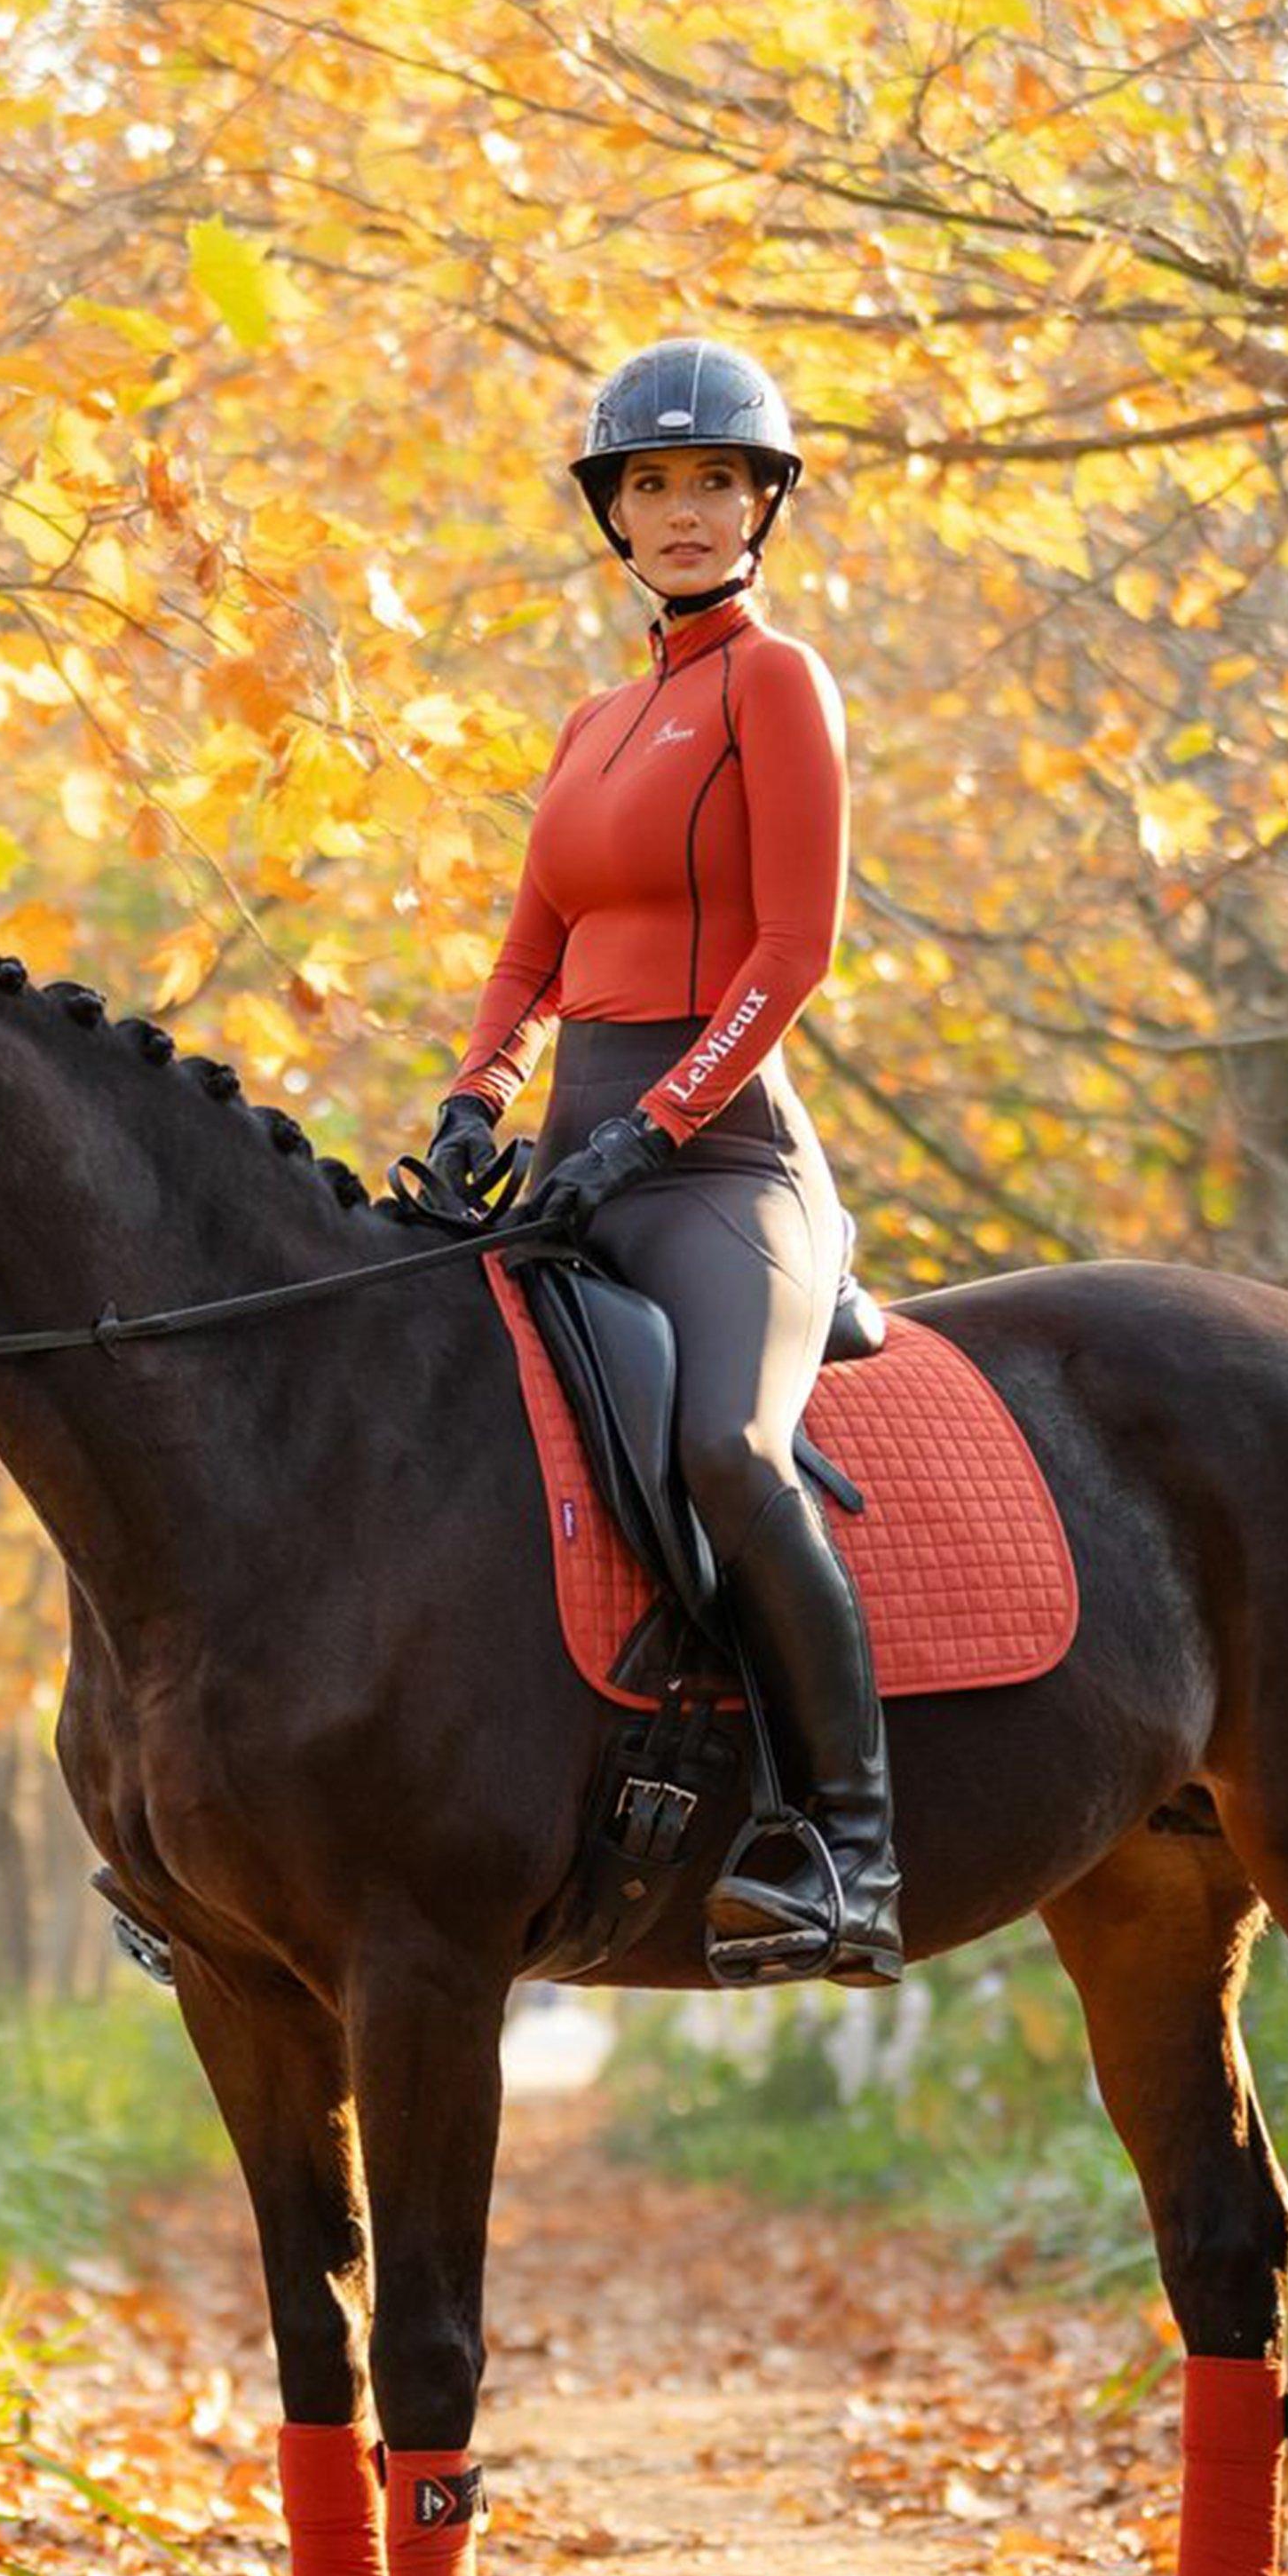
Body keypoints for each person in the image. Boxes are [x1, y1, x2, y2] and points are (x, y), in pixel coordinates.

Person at [422, 337, 901, 1988]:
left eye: (714, 481)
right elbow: (527, 956)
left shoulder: (779, 683)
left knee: (725, 1450)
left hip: (724, 1163)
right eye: (651, 485)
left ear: (764, 502)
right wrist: (479, 1100)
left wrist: (655, 1125)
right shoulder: (590, 722)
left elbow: (793, 947)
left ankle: (850, 1850)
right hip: (579, 1156)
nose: (683, 511)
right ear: (613, 516)